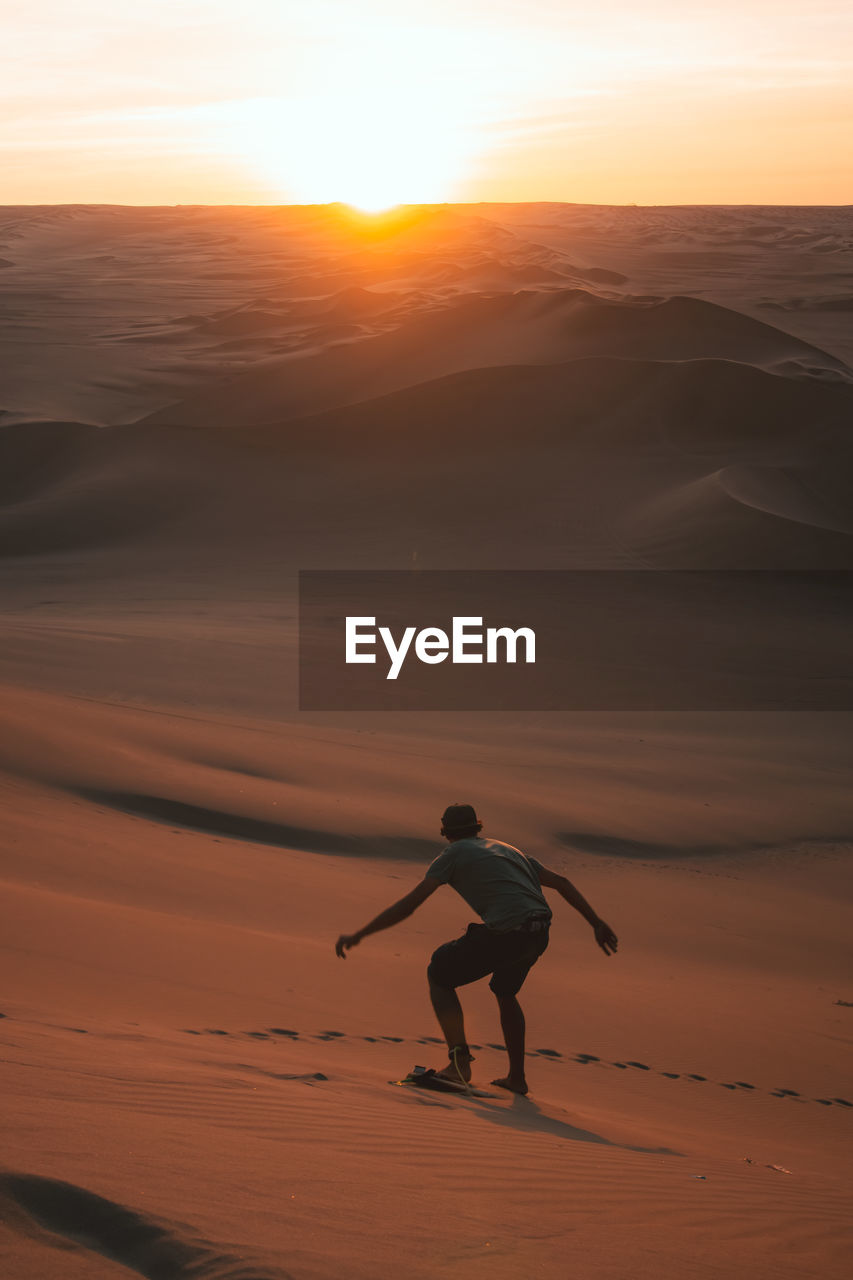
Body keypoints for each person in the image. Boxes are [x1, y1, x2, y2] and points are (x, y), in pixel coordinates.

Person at [335, 803, 618, 1095]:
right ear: (478, 827)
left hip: (508, 932)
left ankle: (459, 1066)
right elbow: (561, 882)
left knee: (439, 973)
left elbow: (411, 903)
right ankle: (517, 1078)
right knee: (506, 993)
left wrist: (361, 933)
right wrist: (595, 922)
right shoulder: (508, 849)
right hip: (539, 931)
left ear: (444, 832)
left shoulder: (452, 854)